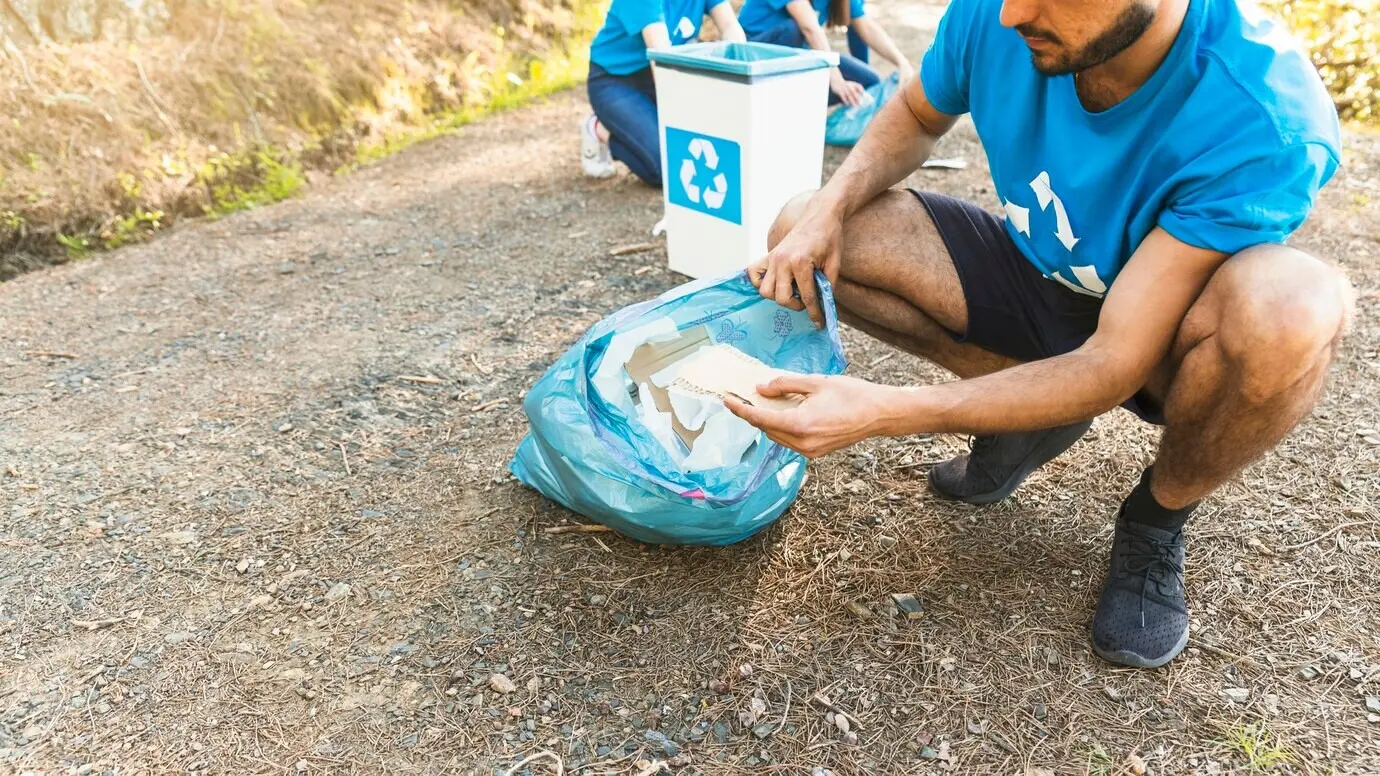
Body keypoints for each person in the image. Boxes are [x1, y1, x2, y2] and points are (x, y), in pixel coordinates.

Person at [727, 0, 1352, 669]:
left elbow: (1113, 361)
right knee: (801, 228)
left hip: (1164, 331)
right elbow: (914, 114)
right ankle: (1031, 417)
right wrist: (828, 206)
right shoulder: (999, 12)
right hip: (1043, 272)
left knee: (1292, 309)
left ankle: (1158, 517)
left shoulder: (1262, 114)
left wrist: (887, 410)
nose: (1011, 16)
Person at [581, 0, 746, 184]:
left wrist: (740, 80)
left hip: (666, 73)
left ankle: (636, 125)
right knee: (670, 170)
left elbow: (730, 26)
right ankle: (599, 128)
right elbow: (661, 58)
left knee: (707, 149)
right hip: (616, 80)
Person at [737, 0, 915, 107]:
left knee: (867, 80)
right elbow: (809, 29)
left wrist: (902, 62)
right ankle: (775, 105)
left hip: (797, 54)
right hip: (753, 54)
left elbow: (865, 27)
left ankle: (800, 107)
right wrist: (836, 79)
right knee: (793, 29)